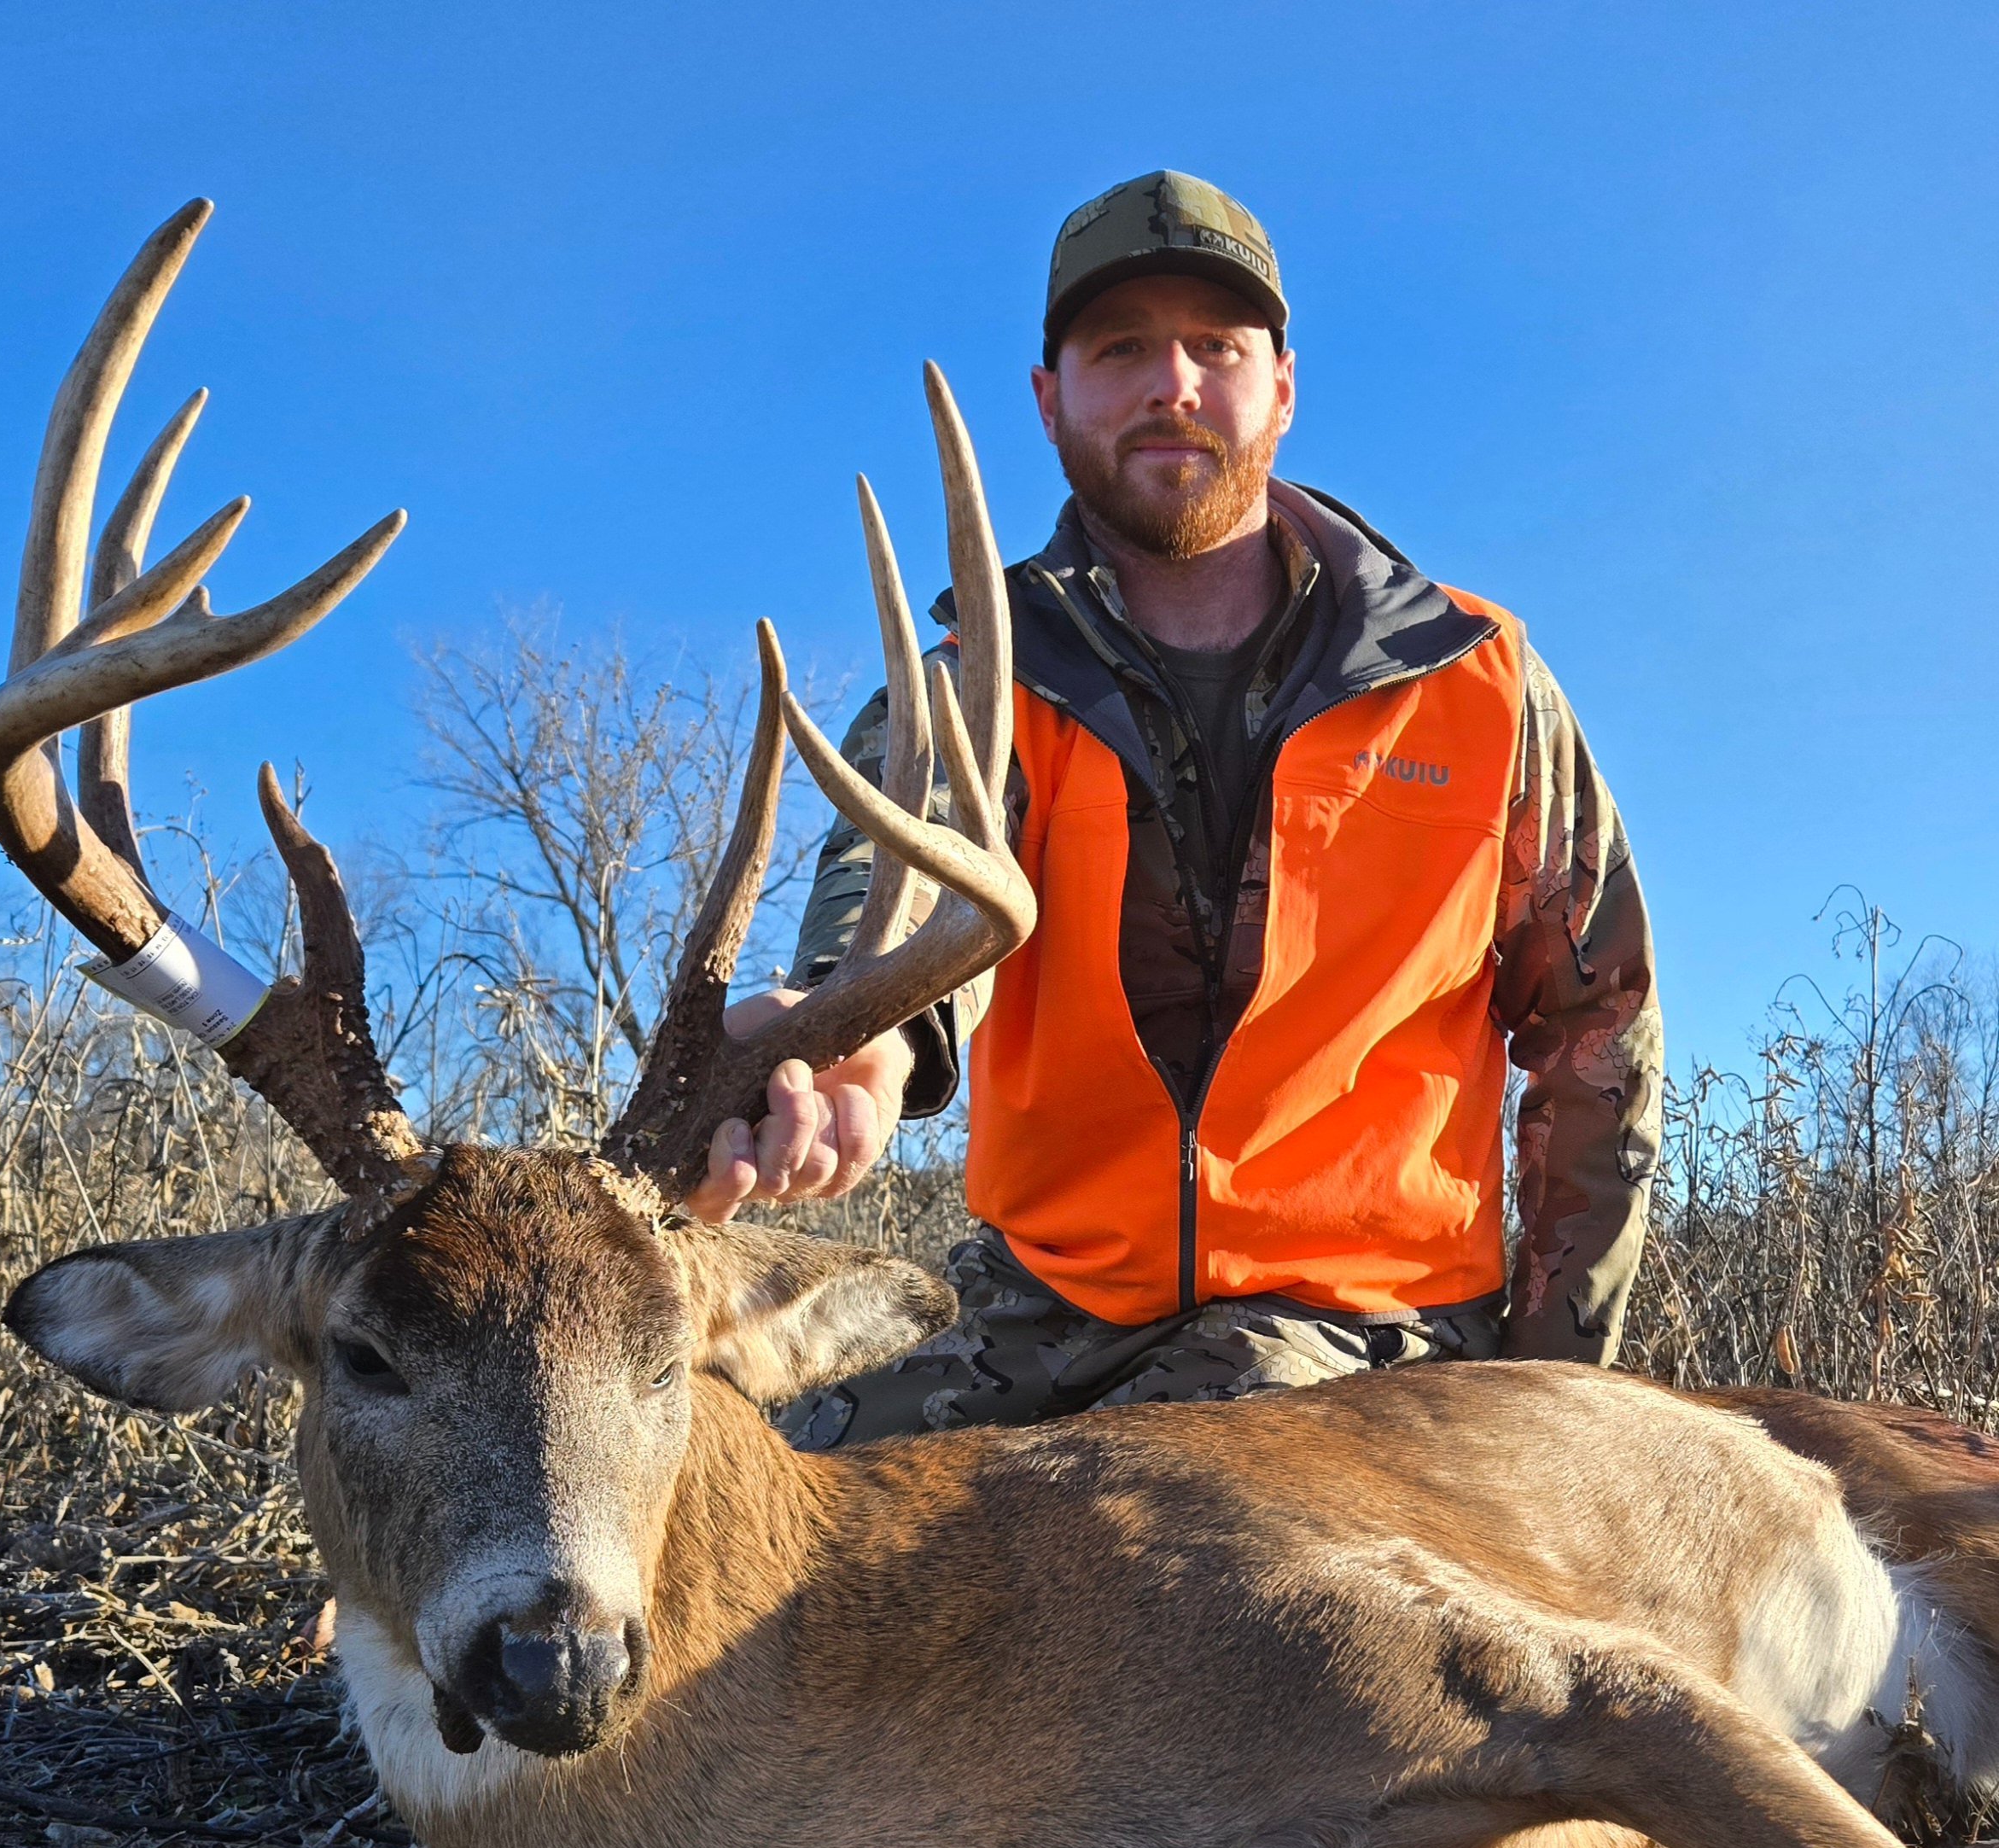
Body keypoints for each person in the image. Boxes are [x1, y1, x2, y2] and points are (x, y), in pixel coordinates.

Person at [688, 171, 1663, 1449]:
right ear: (1050, 400)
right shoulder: (978, 692)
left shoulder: (1475, 680)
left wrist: (1559, 1392)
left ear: (1283, 386)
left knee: (1151, 1529)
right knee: (742, 1485)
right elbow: (897, 922)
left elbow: (1596, 1023)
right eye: (1121, 348)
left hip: (1368, 1325)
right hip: (1044, 1309)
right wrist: (846, 1058)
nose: (1174, 384)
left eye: (1217, 345)